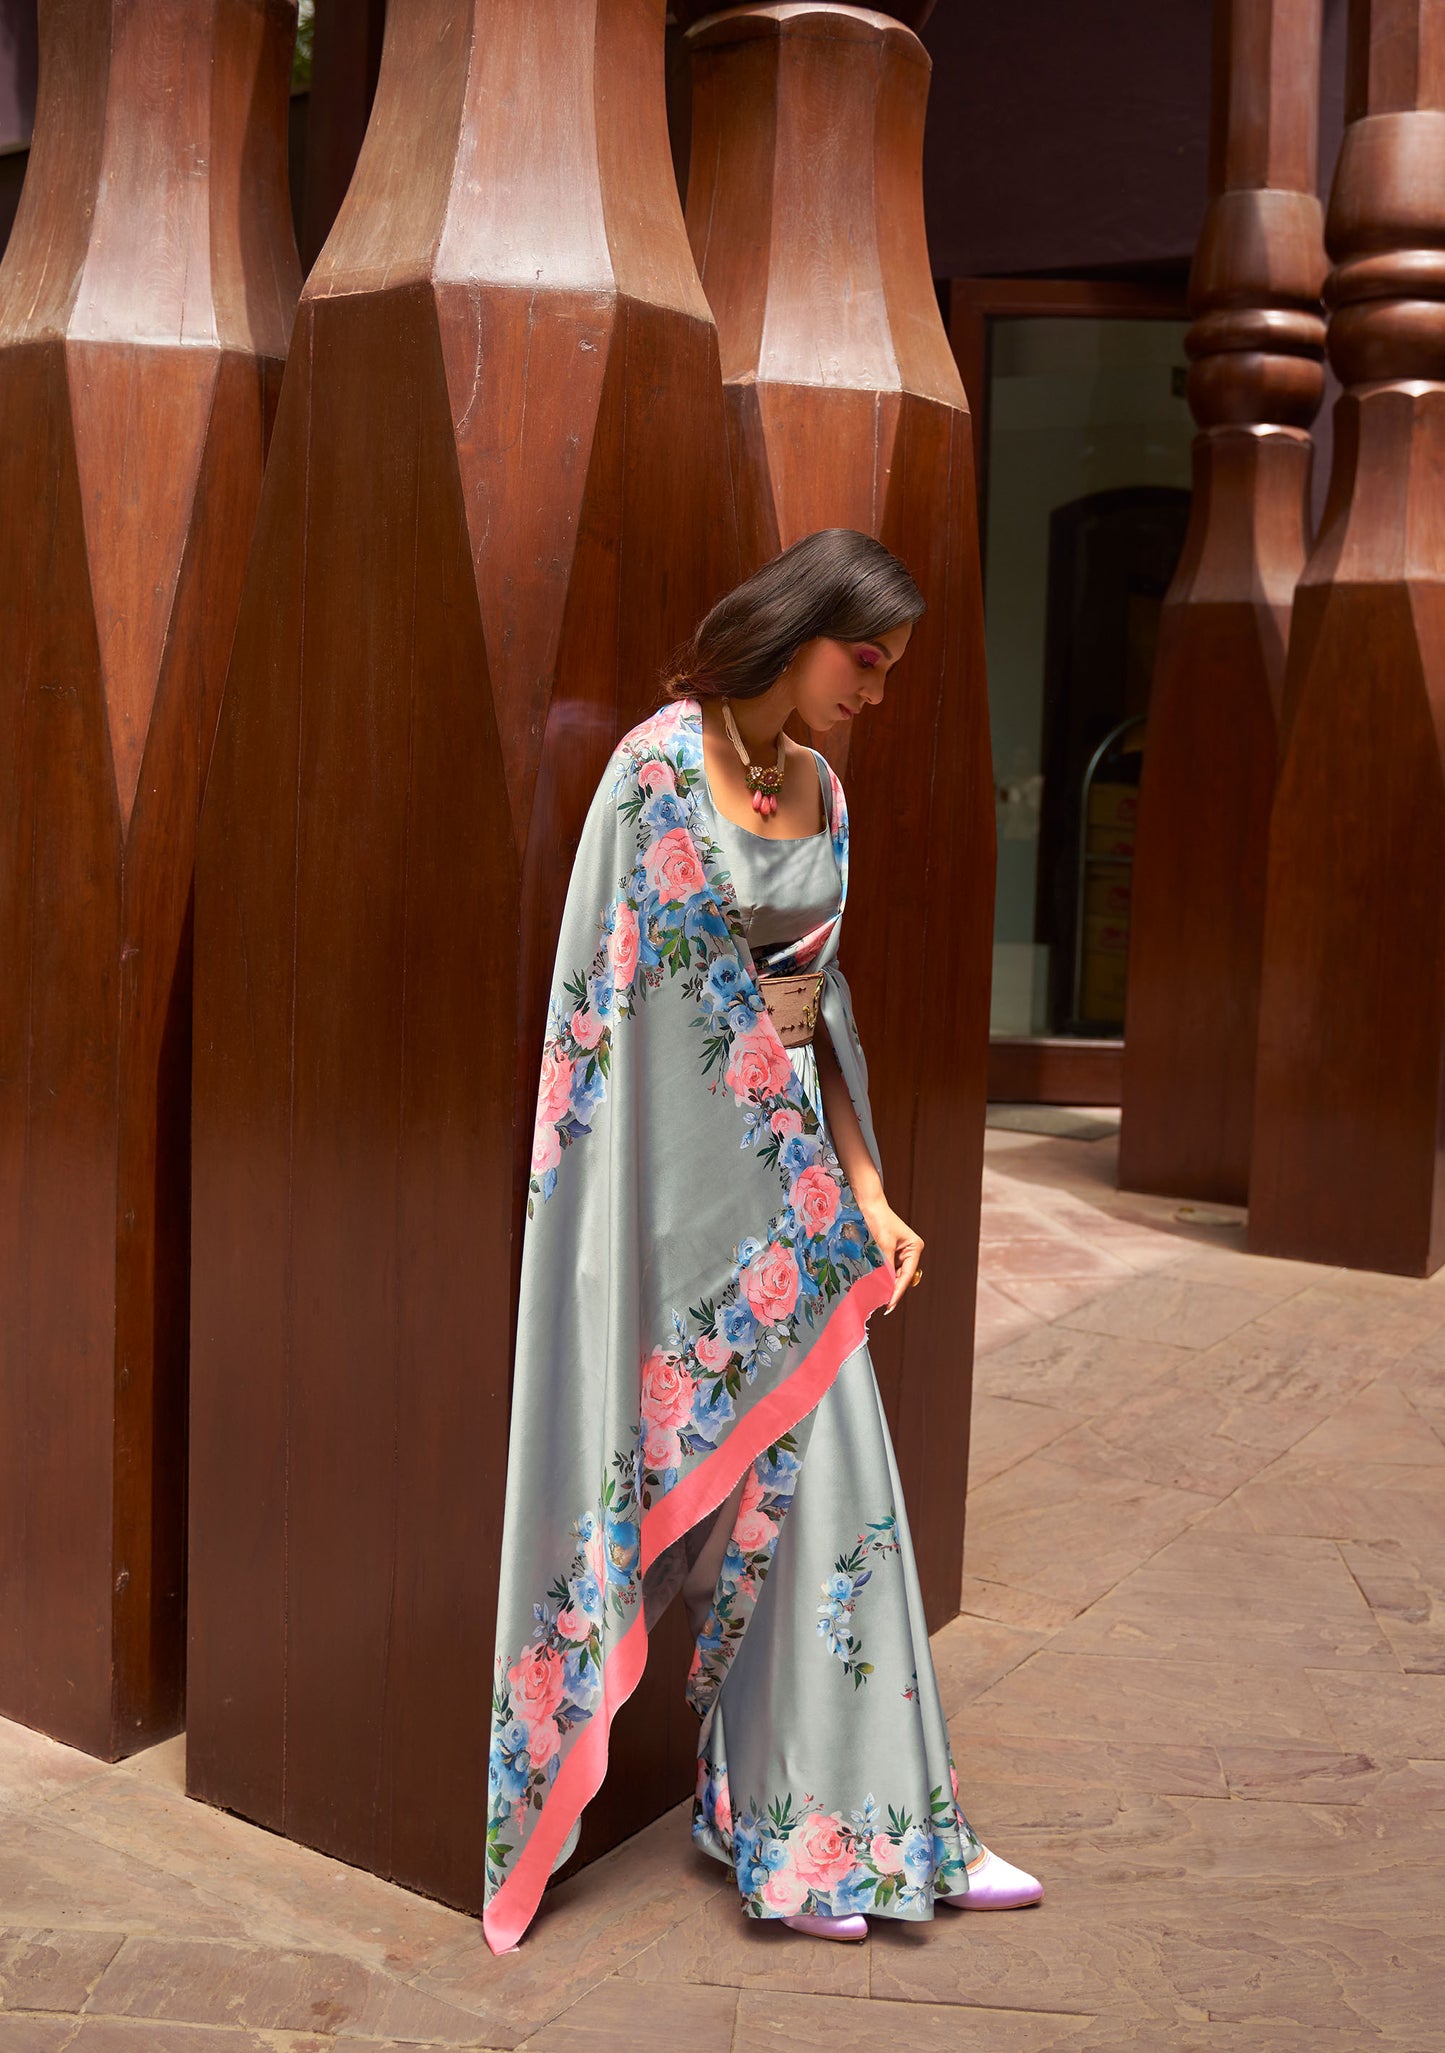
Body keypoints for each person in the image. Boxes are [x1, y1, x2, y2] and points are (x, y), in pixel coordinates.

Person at [482, 528, 1042, 1954]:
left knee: (821, 1498)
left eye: (889, 670)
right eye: (866, 659)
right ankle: (812, 1835)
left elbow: (819, 1001)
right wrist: (784, 1192)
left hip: (793, 1181)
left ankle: (854, 1827)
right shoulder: (658, 771)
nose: (874, 691)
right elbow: (640, 1004)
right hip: (693, 1196)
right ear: (798, 631)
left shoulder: (820, 789)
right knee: (796, 1490)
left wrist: (865, 1188)